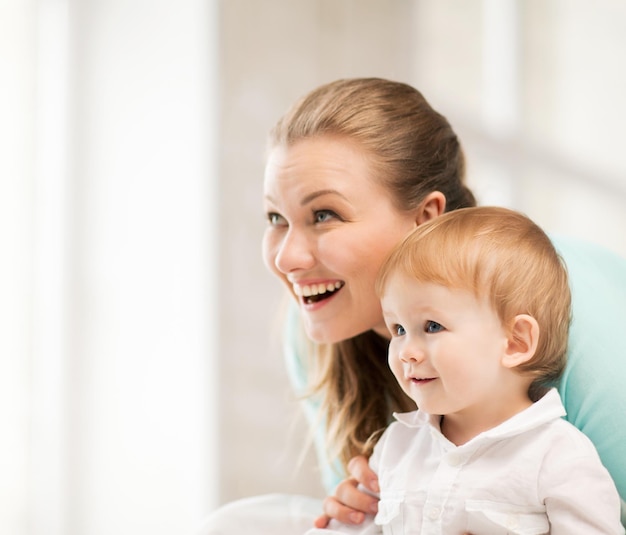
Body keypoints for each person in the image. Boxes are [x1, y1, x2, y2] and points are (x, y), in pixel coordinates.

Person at [196, 78, 626, 534]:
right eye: (276, 219)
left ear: (425, 218)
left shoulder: (569, 319)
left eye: (325, 215)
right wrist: (360, 508)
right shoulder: (317, 325)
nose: (286, 259)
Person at [304, 206, 623, 534]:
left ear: (514, 342)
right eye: (399, 329)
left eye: (432, 326)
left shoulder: (559, 457)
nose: (406, 352)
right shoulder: (397, 444)